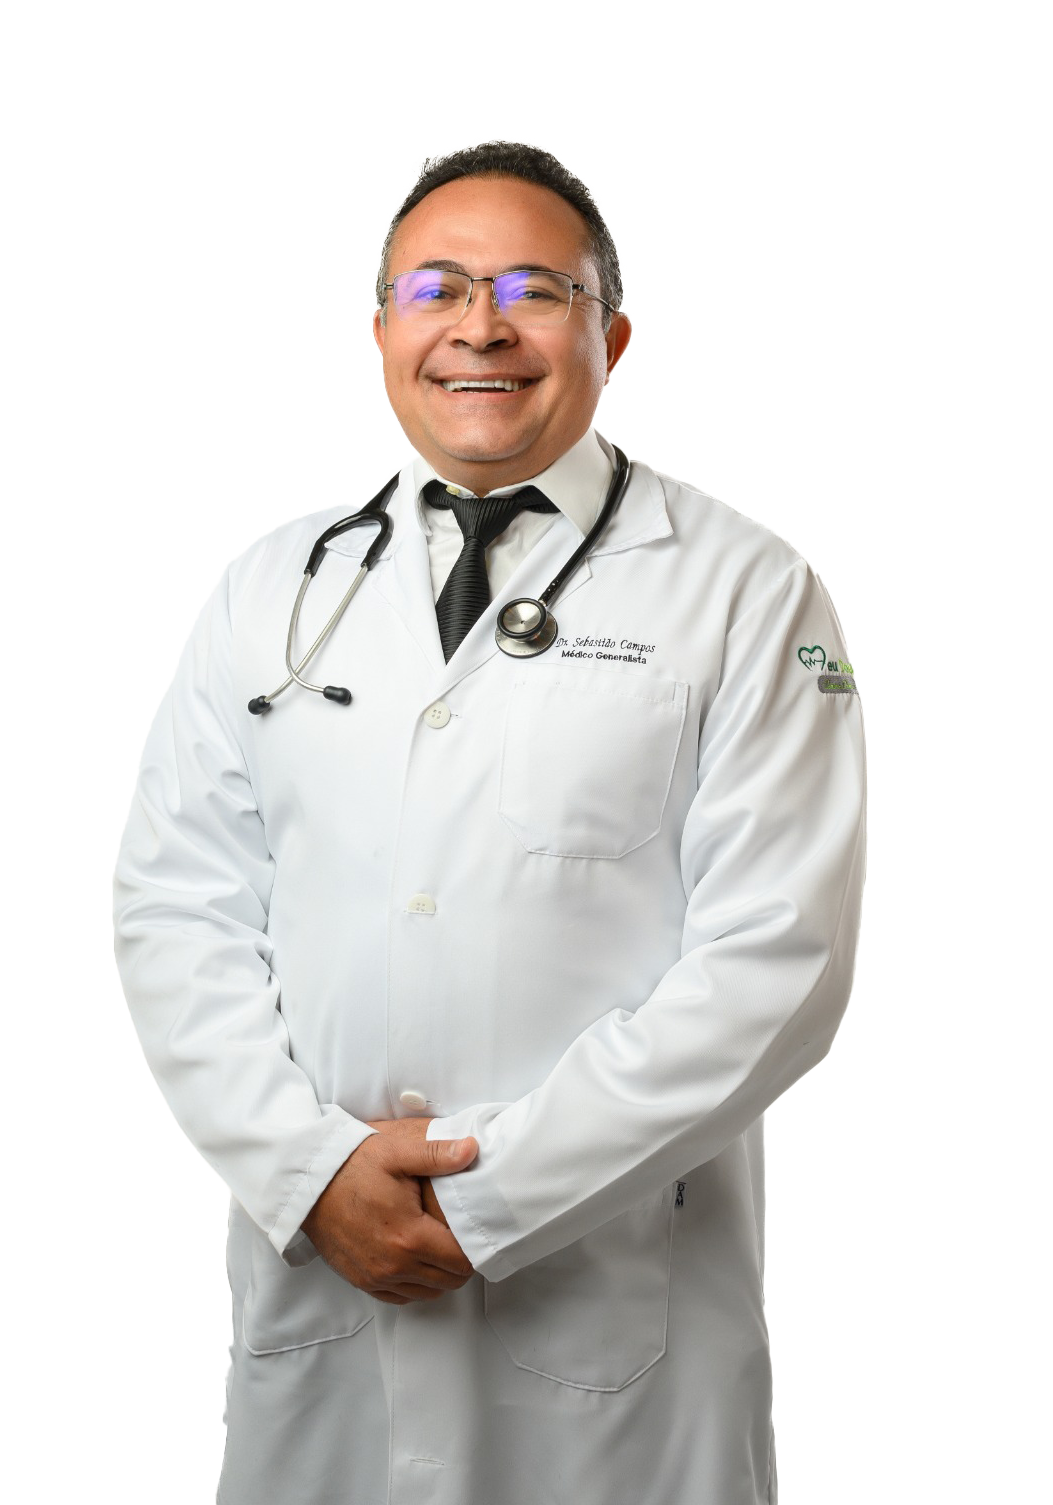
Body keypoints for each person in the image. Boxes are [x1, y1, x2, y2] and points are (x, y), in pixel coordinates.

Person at [113, 139, 866, 1505]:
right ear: (382, 333)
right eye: (435, 289)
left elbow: (778, 961)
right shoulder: (272, 590)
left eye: (534, 290)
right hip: (321, 1295)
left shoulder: (745, 591)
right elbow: (180, 909)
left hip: (613, 1315)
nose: (480, 327)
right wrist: (311, 1174)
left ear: (610, 337)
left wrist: (487, 1198)